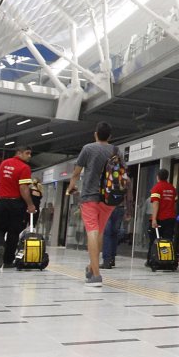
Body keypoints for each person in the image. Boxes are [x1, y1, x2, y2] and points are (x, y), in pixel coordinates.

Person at [66, 122, 128, 288]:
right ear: (110, 136)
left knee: (92, 232)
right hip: (109, 199)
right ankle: (92, 267)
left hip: (90, 196)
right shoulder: (116, 150)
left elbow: (77, 172)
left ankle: (96, 275)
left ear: (95, 134)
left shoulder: (88, 149)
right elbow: (123, 173)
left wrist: (71, 186)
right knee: (99, 232)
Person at [0, 146, 36, 268]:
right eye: (27, 153)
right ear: (19, 153)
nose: (29, 156)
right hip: (16, 204)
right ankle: (7, 261)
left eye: (30, 154)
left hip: (1, 202)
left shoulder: (3, 164)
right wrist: (30, 204)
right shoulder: (24, 168)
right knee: (13, 233)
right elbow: (23, 188)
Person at [148, 168, 177, 266]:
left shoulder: (156, 188)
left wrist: (154, 219)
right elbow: (174, 202)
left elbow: (156, 203)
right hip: (171, 218)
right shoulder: (172, 188)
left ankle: (152, 260)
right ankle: (167, 260)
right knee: (168, 240)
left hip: (160, 218)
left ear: (158, 177)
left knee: (154, 240)